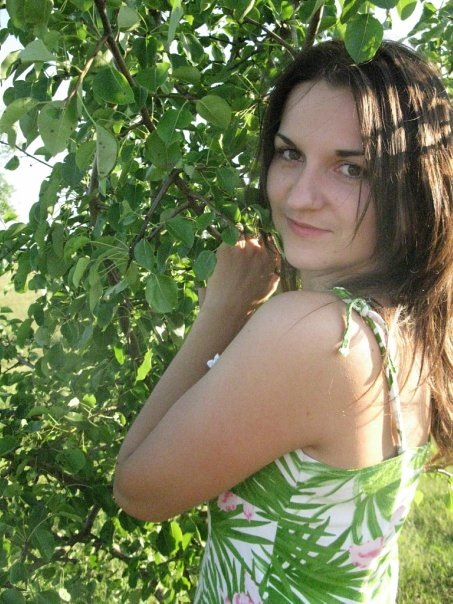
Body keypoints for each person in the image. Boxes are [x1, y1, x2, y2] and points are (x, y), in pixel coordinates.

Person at [113, 39, 452, 603]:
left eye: (351, 168)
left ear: (413, 187)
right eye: (289, 154)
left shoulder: (314, 334)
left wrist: (220, 314)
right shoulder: (412, 326)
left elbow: (137, 489)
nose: (299, 196)